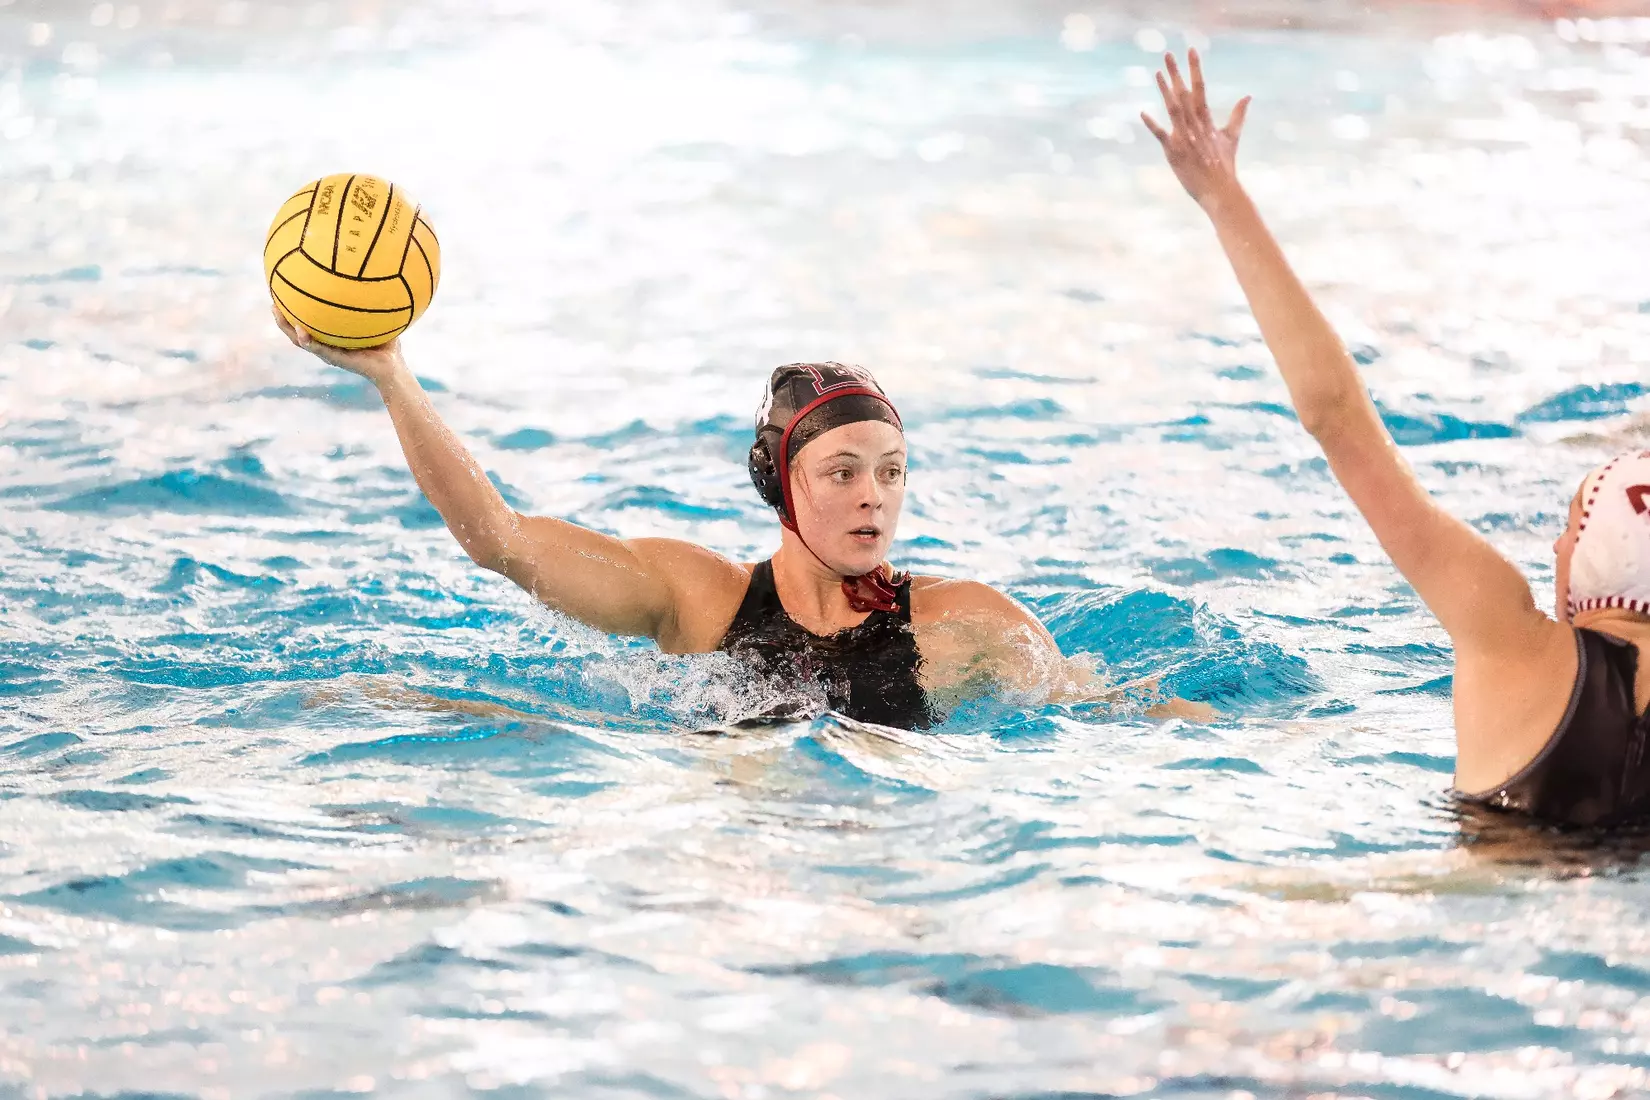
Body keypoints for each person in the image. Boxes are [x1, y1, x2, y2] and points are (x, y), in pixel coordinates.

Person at [1144, 49, 1650, 826]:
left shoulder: (1508, 634)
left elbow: (1333, 413)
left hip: (1487, 906)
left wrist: (1223, 197)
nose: (1551, 550)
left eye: (1567, 530)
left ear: (1590, 561)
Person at [271, 314, 1188, 727]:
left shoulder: (967, 622)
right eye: (842, 471)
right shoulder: (697, 600)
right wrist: (392, 377)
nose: (874, 494)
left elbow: (1104, 714)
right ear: (782, 488)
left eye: (892, 472)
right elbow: (499, 541)